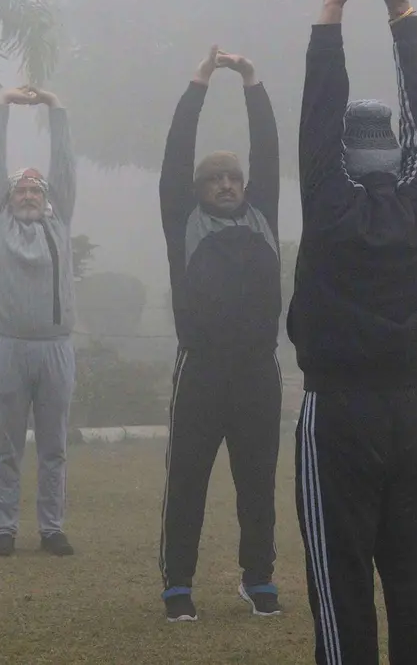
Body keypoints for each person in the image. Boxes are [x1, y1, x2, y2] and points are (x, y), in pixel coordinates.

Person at [289, 0, 417, 663]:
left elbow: (318, 127)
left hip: (341, 416)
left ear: (347, 161)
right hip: (414, 414)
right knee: (412, 581)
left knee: (341, 582)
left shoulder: (328, 211)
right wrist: (401, 16)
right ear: (396, 156)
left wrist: (329, 19)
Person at [156, 44, 283, 623]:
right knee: (187, 481)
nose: (228, 184)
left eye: (234, 177)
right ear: (199, 188)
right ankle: (177, 585)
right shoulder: (184, 219)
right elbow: (177, 153)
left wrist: (253, 83)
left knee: (257, 485)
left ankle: (258, 579)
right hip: (201, 369)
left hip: (259, 371)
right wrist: (200, 82)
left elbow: (270, 152)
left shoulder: (264, 215)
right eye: (216, 179)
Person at [0, 85, 79, 558]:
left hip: (55, 347)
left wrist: (55, 108)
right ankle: (4, 529)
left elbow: (65, 168)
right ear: (7, 196)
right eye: (19, 188)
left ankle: (51, 528)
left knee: (54, 445)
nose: (26, 194)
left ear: (47, 197)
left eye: (34, 189)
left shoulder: (59, 224)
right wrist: (1, 107)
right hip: (8, 347)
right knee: (7, 445)